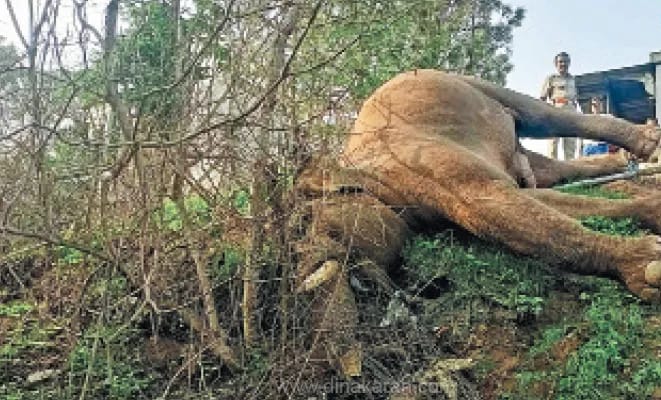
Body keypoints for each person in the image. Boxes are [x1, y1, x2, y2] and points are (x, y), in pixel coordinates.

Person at [540, 52, 579, 160]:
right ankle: (552, 168)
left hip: (571, 112)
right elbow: (542, 98)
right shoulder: (551, 78)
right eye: (560, 62)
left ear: (569, 63)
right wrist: (544, 115)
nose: (563, 64)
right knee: (553, 144)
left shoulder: (573, 79)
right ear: (556, 64)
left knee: (570, 145)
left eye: (565, 62)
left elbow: (576, 98)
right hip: (555, 110)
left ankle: (570, 169)